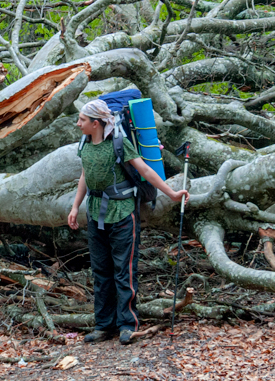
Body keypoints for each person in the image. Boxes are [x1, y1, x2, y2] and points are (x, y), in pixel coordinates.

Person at [67, 99, 188, 345]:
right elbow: (84, 175)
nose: (78, 123)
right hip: (94, 214)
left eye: (82, 120)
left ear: (96, 123)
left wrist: (172, 194)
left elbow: (145, 171)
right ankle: (104, 325)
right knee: (101, 272)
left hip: (122, 213)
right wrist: (75, 206)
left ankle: (127, 325)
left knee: (124, 271)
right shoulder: (85, 144)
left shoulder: (119, 144)